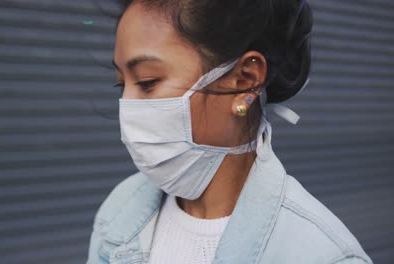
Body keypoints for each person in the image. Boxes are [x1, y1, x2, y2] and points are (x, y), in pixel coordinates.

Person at [87, 0, 373, 263]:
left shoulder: (323, 255)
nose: (128, 107)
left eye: (147, 82)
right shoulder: (120, 212)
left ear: (244, 82)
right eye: (121, 84)